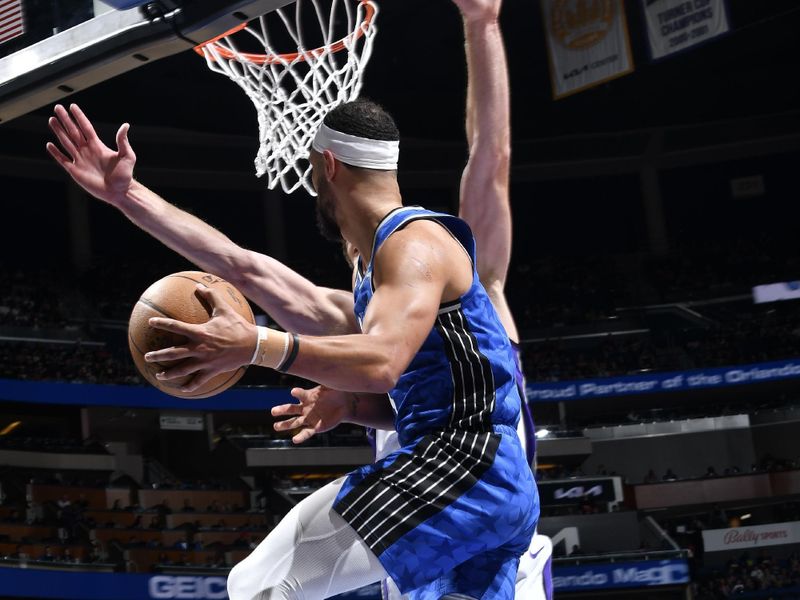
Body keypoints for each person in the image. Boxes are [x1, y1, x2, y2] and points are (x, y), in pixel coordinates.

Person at [47, 95, 537, 600]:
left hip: (466, 469)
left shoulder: (414, 243)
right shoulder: (378, 278)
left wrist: (256, 344)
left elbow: (383, 362)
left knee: (259, 585)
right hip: (485, 484)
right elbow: (244, 268)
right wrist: (128, 196)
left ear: (328, 165)